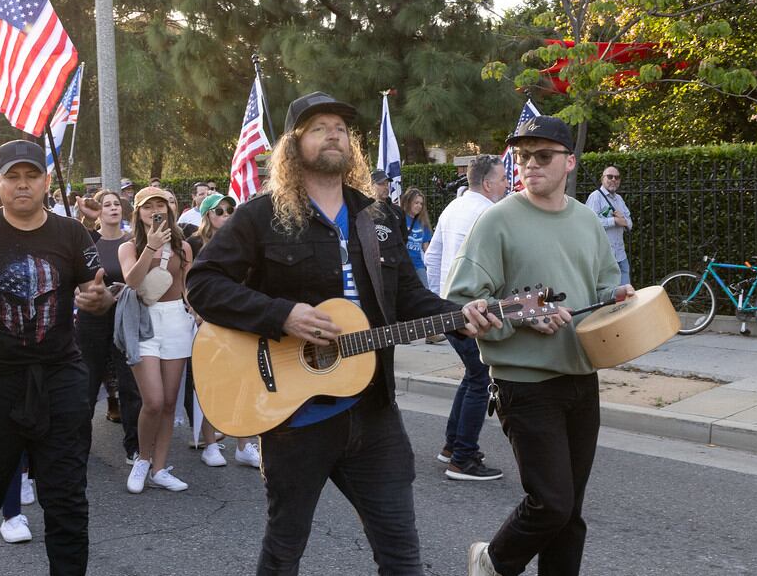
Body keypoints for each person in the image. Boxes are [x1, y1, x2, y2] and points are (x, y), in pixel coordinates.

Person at [186, 91, 489, 574]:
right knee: (285, 549)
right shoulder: (260, 216)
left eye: (341, 128)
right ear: (292, 145)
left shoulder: (379, 217)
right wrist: (281, 314)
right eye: (319, 126)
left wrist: (461, 313)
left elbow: (409, 299)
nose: (334, 133)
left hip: (373, 412)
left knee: (401, 551)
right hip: (294, 418)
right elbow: (201, 284)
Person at [444, 116, 631, 576]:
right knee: (551, 504)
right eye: (523, 156)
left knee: (570, 515)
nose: (529, 164)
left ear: (569, 162)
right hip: (523, 383)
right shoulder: (497, 220)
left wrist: (620, 301)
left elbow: (605, 287)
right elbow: (461, 303)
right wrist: (522, 320)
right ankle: (493, 561)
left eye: (542, 155)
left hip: (580, 378)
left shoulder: (587, 220)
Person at [0, 140, 115, 575]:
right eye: (13, 177)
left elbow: (99, 291)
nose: (23, 185)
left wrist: (98, 299)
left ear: (45, 181)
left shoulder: (71, 233)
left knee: (67, 496)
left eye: (31, 176)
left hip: (59, 378)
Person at [423, 155, 508, 482]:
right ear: (487, 183)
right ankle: (463, 457)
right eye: (502, 179)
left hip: (448, 310)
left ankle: (452, 445)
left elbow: (432, 258)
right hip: (473, 312)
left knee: (472, 376)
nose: (505, 184)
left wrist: (436, 305)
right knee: (481, 380)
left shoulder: (452, 208)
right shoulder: (488, 213)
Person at [119, 186, 196, 494]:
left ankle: (160, 468)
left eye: (159, 205)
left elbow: (187, 286)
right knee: (151, 400)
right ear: (137, 213)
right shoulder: (130, 246)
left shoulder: (183, 246)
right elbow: (132, 281)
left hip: (177, 320)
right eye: (147, 206)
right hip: (143, 321)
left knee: (168, 402)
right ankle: (143, 459)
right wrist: (150, 248)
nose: (154, 210)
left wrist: (199, 309)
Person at [185, 192, 262, 468]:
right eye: (219, 211)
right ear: (207, 215)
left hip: (240, 321)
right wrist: (197, 313)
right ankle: (211, 444)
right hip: (209, 323)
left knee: (245, 383)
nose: (226, 215)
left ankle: (243, 444)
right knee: (212, 386)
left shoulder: (243, 242)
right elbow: (190, 285)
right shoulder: (194, 244)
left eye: (230, 210)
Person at [77, 189, 142, 463]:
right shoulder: (89, 240)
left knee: (130, 385)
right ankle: (79, 446)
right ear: (98, 210)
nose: (113, 208)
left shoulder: (133, 242)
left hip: (125, 318)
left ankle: (134, 447)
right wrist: (87, 218)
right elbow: (76, 251)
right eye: (107, 204)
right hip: (92, 320)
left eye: (117, 204)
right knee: (87, 384)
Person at [584, 165, 632, 286]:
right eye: (610, 177)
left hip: (621, 256)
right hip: (604, 258)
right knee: (610, 297)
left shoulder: (619, 199)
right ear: (602, 179)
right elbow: (590, 223)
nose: (614, 180)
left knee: (626, 295)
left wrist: (624, 221)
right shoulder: (595, 197)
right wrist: (614, 221)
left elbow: (629, 223)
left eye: (617, 177)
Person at [401, 187, 433, 286]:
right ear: (408, 202)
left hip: (418, 264)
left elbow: (426, 247)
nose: (419, 206)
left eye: (421, 203)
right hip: (403, 264)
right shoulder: (400, 219)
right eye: (416, 203)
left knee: (425, 291)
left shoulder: (423, 223)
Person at [371, 169, 409, 242]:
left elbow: (404, 238)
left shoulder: (398, 210)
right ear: (371, 185)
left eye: (387, 184)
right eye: (381, 184)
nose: (386, 187)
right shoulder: (365, 211)